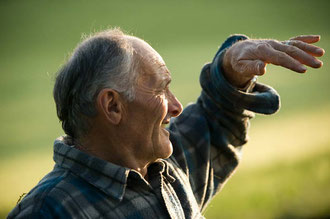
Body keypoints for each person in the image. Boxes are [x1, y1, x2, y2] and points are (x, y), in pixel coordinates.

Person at [8, 29, 324, 219]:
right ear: (113, 106)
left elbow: (214, 126)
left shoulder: (161, 168)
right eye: (161, 89)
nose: (175, 106)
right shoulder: (47, 211)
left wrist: (229, 71)